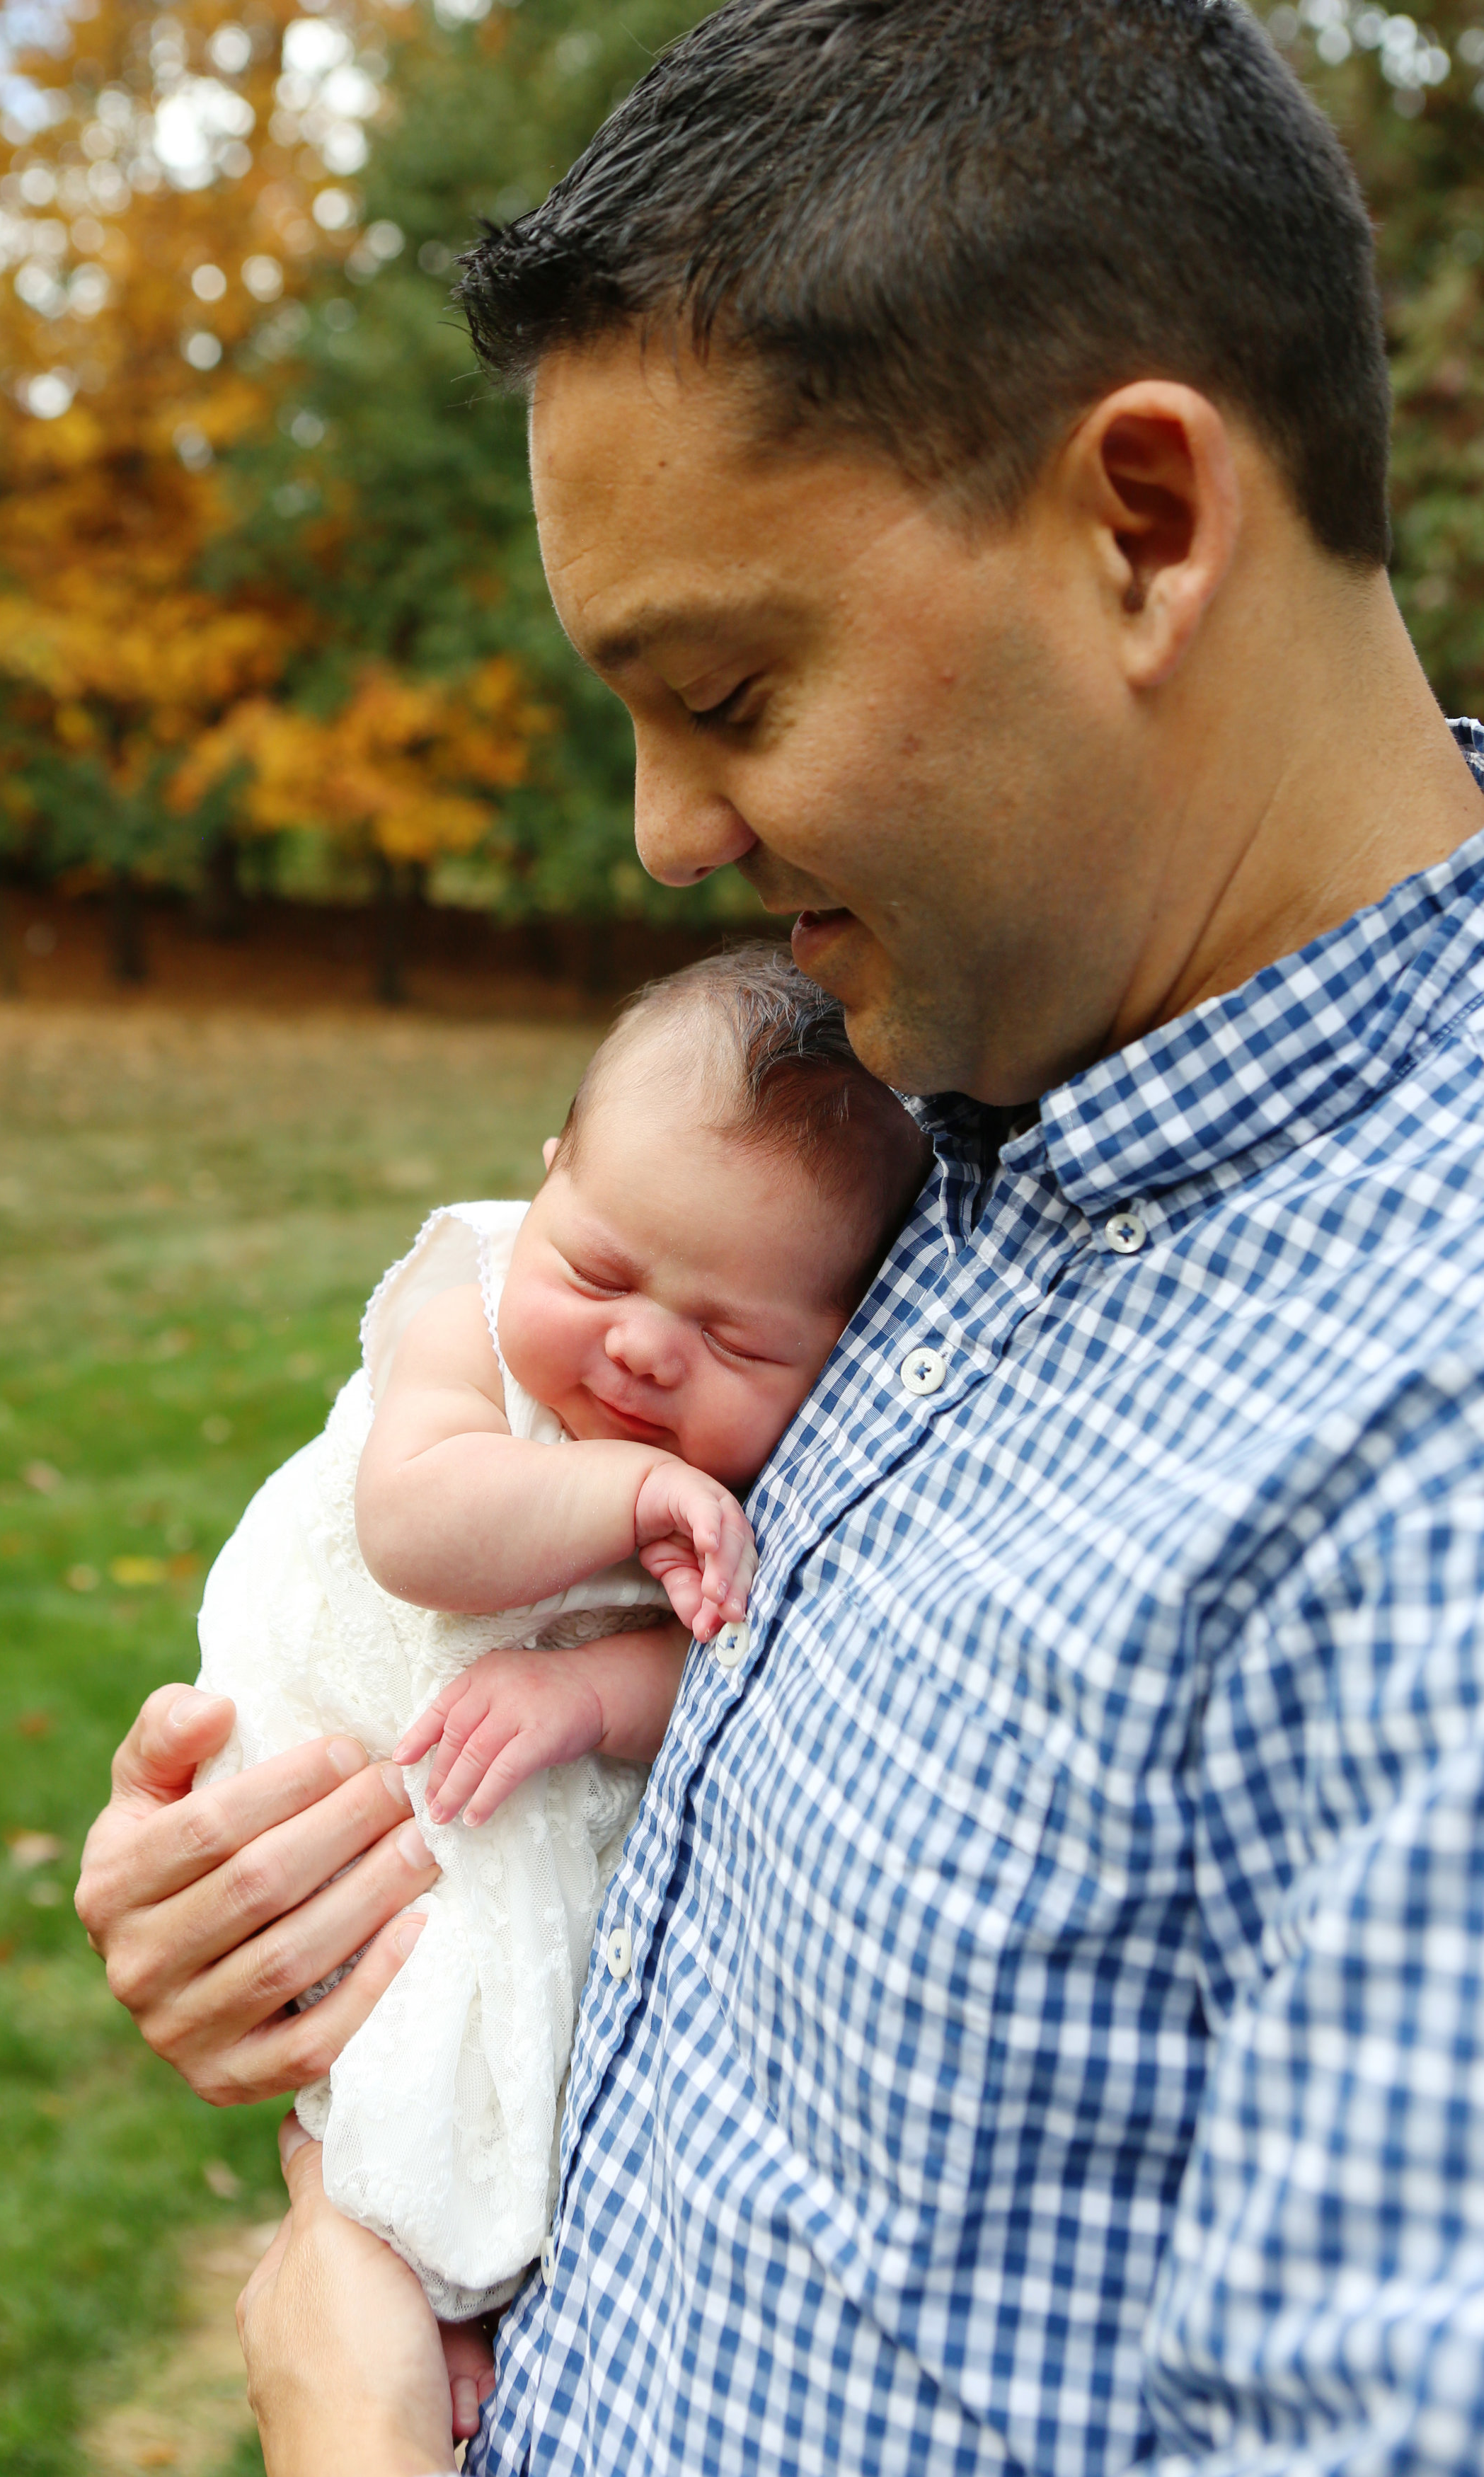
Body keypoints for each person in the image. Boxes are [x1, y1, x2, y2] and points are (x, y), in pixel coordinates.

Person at [76, 1, 1484, 2469]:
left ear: (1143, 524)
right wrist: (293, 1880)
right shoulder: (946, 1105)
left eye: (725, 688)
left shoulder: (1421, 1474)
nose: (665, 839)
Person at [192, 948, 924, 2320]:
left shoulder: (756, 1471)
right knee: (405, 2010)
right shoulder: (463, 1310)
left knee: (524, 2042)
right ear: (543, 1183)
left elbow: (716, 1665)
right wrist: (631, 1488)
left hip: (524, 1774)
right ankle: (400, 2278)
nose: (642, 1349)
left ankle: (459, 2302)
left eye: (733, 1338)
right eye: (597, 1268)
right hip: (356, 1732)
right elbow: (416, 1526)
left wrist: (592, 1689)